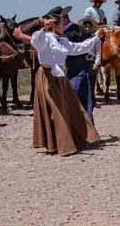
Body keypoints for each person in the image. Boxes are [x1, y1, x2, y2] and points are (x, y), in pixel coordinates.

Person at [12, 10, 104, 156]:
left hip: (60, 76)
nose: (64, 25)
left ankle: (76, 138)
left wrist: (95, 39)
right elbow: (36, 40)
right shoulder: (46, 38)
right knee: (57, 110)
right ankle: (60, 143)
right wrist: (44, 28)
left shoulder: (63, 40)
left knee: (72, 107)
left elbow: (77, 48)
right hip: (47, 76)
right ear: (55, 26)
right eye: (62, 24)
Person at [60, 7, 97, 121]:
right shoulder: (75, 29)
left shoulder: (75, 31)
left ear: (63, 19)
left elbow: (78, 49)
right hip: (73, 69)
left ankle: (85, 131)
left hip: (80, 69)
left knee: (79, 99)